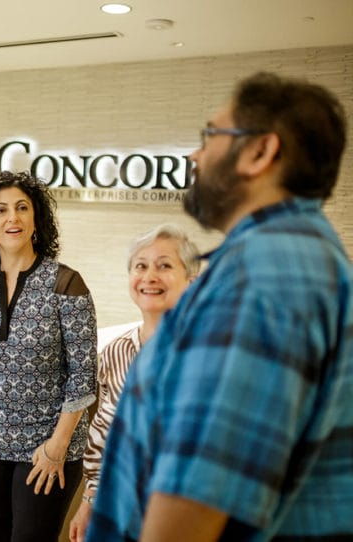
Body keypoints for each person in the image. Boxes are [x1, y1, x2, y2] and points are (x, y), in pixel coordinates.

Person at [87, 71, 353, 541]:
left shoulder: (263, 274)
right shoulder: (292, 255)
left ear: (259, 152)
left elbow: (201, 490)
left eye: (210, 136)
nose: (195, 155)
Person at [0, 170, 97, 542]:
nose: (11, 218)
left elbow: (83, 375)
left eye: (21, 208)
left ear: (36, 220)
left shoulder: (66, 283)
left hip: (46, 447)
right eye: (0, 210)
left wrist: (58, 446)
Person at [68, 224, 199, 542]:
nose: (150, 276)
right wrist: (88, 501)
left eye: (164, 265)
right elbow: (102, 435)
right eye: (141, 266)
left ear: (192, 282)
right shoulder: (116, 352)